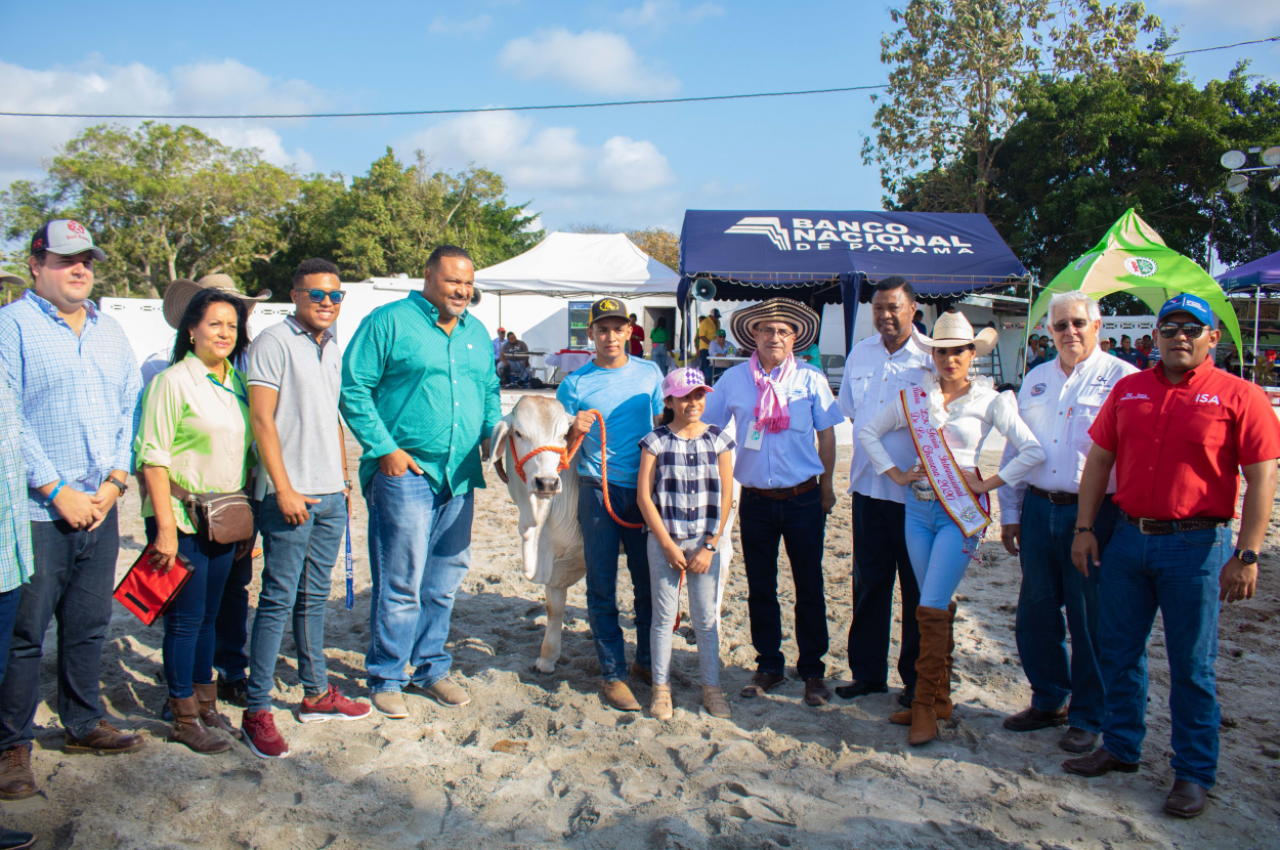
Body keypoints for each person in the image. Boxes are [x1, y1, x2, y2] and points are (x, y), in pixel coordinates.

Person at [1066, 294, 1280, 819]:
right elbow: (1098, 462)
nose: (1179, 335)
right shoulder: (1130, 389)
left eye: (1192, 327)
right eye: (1169, 327)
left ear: (1213, 338)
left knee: (1191, 665)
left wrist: (1247, 554)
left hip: (1198, 545)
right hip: (1128, 541)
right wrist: (1086, 528)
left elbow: (1261, 478)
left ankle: (1193, 773)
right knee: (1118, 650)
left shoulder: (1241, 396)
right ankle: (1120, 746)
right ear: (1155, 336)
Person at [0, 220, 146, 803]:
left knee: (88, 624)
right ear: (36, 264)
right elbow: (7, 415)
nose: (78, 268)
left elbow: (126, 408)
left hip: (102, 501)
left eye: (85, 259)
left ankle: (83, 722)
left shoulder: (111, 332)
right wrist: (54, 487)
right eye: (64, 259)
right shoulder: (11, 328)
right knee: (24, 633)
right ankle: (11, 744)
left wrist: (114, 478)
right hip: (39, 509)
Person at [858, 311, 1044, 746]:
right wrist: (897, 473)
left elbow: (1031, 450)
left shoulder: (992, 399)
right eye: (941, 351)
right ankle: (939, 697)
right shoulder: (914, 397)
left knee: (931, 604)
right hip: (917, 509)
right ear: (933, 354)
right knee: (931, 605)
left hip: (958, 512)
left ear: (971, 354)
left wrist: (986, 481)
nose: (949, 358)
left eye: (958, 350)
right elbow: (867, 432)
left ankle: (923, 705)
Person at [340, 245, 500, 717]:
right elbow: (354, 387)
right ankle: (388, 673)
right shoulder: (388, 321)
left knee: (444, 579)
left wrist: (493, 431)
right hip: (405, 472)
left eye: (468, 283)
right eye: (454, 281)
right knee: (401, 578)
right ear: (429, 277)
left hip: (462, 472)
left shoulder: (476, 332)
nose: (462, 291)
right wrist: (384, 449)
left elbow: (488, 389)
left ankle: (431, 668)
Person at [240, 259, 370, 759]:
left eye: (335, 296)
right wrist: (284, 487)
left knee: (314, 599)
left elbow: (333, 419)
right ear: (295, 295)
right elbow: (262, 420)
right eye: (316, 294)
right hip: (289, 496)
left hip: (330, 493)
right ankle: (257, 709)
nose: (326, 303)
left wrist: (341, 479)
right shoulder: (273, 342)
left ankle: (315, 693)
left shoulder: (333, 344)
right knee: (276, 600)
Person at [996, 292, 1137, 753]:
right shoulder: (1035, 379)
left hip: (1095, 515)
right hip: (1038, 509)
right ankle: (1048, 698)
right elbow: (1017, 450)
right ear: (1048, 332)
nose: (1069, 332)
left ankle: (1089, 714)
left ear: (1098, 326)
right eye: (1060, 326)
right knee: (1035, 613)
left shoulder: (1124, 380)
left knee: (1089, 617)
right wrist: (1012, 513)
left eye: (1078, 322)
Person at [134, 288, 256, 754]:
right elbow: (153, 457)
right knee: (185, 622)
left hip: (224, 519)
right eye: (214, 324)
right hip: (182, 520)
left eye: (232, 325)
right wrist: (165, 528)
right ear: (191, 330)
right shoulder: (172, 381)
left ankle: (207, 705)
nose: (224, 333)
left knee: (209, 617)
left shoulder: (236, 383)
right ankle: (183, 714)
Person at [704, 298, 842, 707]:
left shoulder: (812, 379)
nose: (775, 337)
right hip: (756, 502)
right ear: (754, 335)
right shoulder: (732, 381)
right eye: (767, 330)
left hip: (803, 497)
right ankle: (769, 665)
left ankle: (813, 671)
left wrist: (828, 485)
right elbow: (709, 429)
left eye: (783, 331)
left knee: (809, 585)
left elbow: (828, 436)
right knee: (761, 586)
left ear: (794, 337)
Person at [556, 299, 665, 711]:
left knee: (646, 581)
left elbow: (661, 428)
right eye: (602, 329)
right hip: (596, 489)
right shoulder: (575, 384)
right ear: (592, 335)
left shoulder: (650, 372)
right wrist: (574, 430)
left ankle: (645, 662)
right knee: (602, 583)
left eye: (617, 328)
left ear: (629, 332)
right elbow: (560, 452)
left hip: (642, 491)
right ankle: (612, 674)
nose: (610, 336)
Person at [836, 277, 930, 706]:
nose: (885, 316)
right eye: (878, 308)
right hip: (868, 491)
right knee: (869, 584)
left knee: (914, 589)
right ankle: (868, 674)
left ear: (913, 309)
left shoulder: (930, 359)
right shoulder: (861, 353)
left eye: (893, 307)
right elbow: (851, 414)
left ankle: (913, 680)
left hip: (916, 496)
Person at [636, 367, 735, 721]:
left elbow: (726, 496)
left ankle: (712, 689)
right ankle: (661, 690)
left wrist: (710, 545)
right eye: (684, 396)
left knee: (706, 619)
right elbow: (645, 498)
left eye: (698, 395)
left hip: (705, 542)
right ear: (670, 400)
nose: (693, 402)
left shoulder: (719, 439)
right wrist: (666, 544)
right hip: (666, 541)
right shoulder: (656, 440)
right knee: (663, 617)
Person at [696, 308, 721, 374]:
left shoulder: (717, 322)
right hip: (705, 348)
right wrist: (711, 344)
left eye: (718, 317)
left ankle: (710, 380)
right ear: (711, 316)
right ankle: (702, 381)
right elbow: (702, 336)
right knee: (704, 365)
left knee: (713, 365)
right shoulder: (705, 323)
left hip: (714, 348)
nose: (717, 319)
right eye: (715, 317)